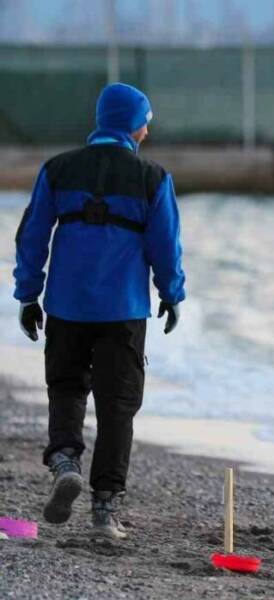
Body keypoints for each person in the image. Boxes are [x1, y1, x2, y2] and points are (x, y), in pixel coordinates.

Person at [12, 83, 186, 539]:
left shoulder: (58, 169)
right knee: (117, 406)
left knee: (67, 386)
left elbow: (32, 235)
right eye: (145, 120)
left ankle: (66, 460)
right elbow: (165, 246)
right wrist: (172, 293)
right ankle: (105, 509)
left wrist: (27, 295)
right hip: (123, 310)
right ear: (132, 123)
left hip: (66, 305)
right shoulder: (153, 178)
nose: (148, 129)